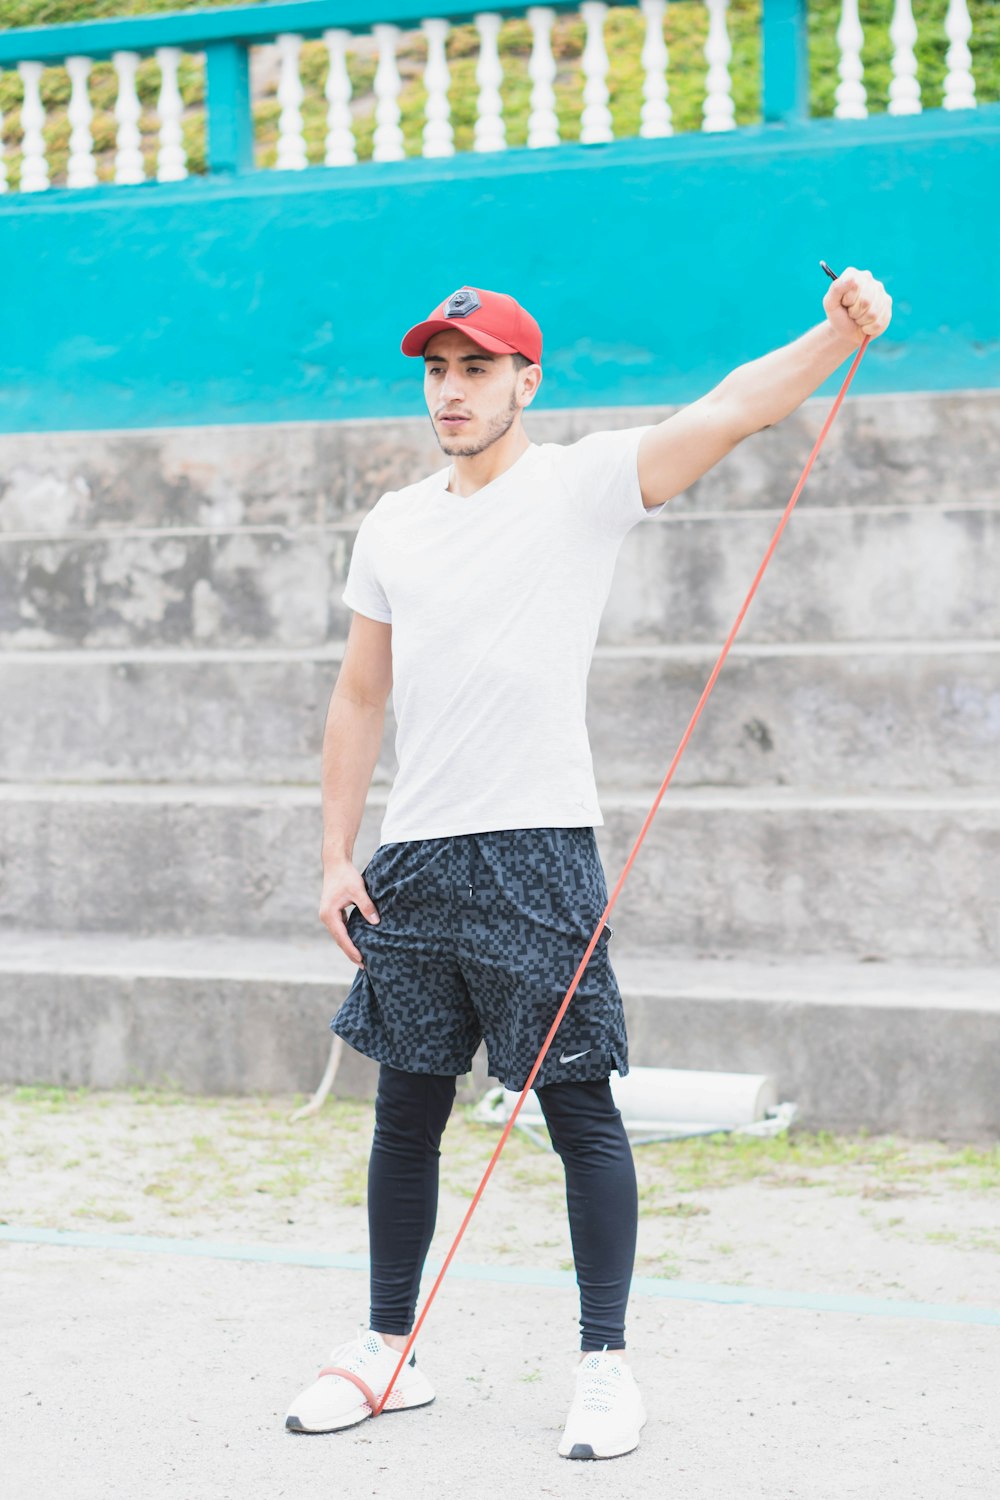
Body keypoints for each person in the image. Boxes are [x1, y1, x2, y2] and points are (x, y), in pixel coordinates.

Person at [285, 274, 892, 1458]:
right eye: (437, 369)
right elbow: (361, 695)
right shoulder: (396, 522)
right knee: (403, 1120)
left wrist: (835, 332)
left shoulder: (579, 487)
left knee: (579, 1115)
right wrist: (332, 854)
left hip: (539, 851)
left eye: (476, 368)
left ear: (527, 380)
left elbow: (726, 412)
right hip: (413, 859)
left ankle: (605, 1368)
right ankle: (384, 1350)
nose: (451, 390)